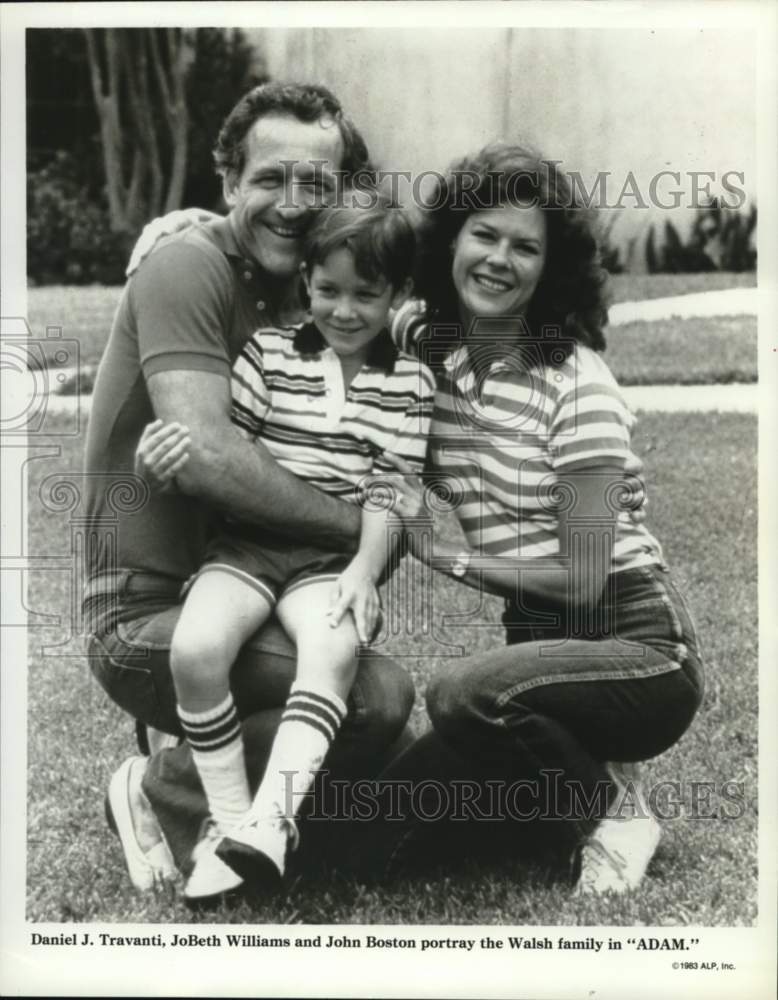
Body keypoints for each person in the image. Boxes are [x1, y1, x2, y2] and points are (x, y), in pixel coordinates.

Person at [81, 82, 416, 906]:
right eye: (270, 179)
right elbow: (206, 458)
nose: (294, 204)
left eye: (318, 184)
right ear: (229, 181)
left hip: (255, 589)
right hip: (146, 611)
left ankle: (244, 818)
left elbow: (403, 269)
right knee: (376, 699)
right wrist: (368, 527)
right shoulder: (187, 263)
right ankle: (162, 790)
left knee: (358, 709)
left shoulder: (307, 287)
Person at [351, 143, 705, 894]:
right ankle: (566, 792)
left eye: (525, 246)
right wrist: (184, 235)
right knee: (369, 835)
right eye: (484, 235)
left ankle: (614, 811)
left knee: (460, 694)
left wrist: (440, 552)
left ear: (552, 269)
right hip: (533, 661)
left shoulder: (579, 385)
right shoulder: (427, 342)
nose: (498, 259)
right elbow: (334, 288)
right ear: (451, 241)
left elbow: (580, 582)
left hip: (636, 648)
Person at [137, 201, 434, 903]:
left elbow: (392, 489)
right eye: (329, 290)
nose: (346, 309)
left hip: (327, 563)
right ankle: (228, 822)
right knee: (195, 648)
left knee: (331, 646)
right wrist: (157, 466)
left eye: (367, 294)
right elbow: (219, 455)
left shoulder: (412, 381)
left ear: (398, 295)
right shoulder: (269, 353)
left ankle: (273, 819)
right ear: (306, 282)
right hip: (246, 547)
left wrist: (364, 570)